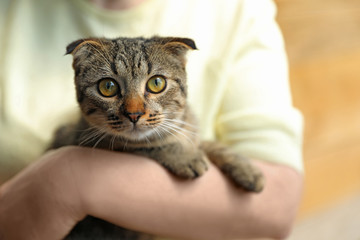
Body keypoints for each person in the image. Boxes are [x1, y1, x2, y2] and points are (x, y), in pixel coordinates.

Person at [0, 0, 304, 239]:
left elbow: (278, 208)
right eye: (109, 87)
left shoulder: (240, 11)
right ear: (79, 75)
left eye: (155, 85)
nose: (134, 110)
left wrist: (71, 178)